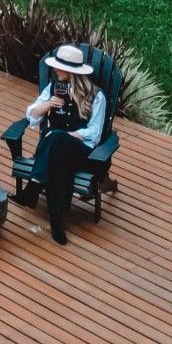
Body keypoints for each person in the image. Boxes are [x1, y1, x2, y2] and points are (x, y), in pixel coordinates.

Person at [20, 43, 107, 245]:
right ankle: (57, 221)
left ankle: (33, 186)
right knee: (59, 158)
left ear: (72, 72)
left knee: (57, 138)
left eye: (60, 67)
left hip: (82, 151)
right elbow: (31, 116)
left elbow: (94, 134)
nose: (56, 69)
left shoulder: (96, 96)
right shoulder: (53, 89)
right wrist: (48, 104)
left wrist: (69, 135)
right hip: (57, 152)